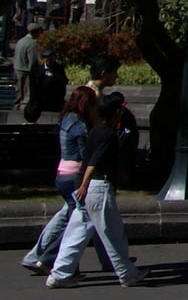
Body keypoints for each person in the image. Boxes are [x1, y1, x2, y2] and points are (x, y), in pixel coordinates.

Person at [44, 91, 143, 287]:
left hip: (89, 188)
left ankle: (59, 274)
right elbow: (94, 162)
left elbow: (88, 158)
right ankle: (127, 273)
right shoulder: (108, 134)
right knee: (112, 233)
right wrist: (84, 184)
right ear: (117, 112)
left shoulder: (96, 131)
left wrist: (82, 185)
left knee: (77, 232)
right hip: (99, 187)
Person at [20, 87, 107, 276]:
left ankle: (67, 264)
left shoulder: (65, 119)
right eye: (93, 104)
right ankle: (49, 259)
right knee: (80, 221)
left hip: (62, 173)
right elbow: (86, 155)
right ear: (86, 104)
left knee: (70, 217)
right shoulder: (81, 126)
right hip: (75, 176)